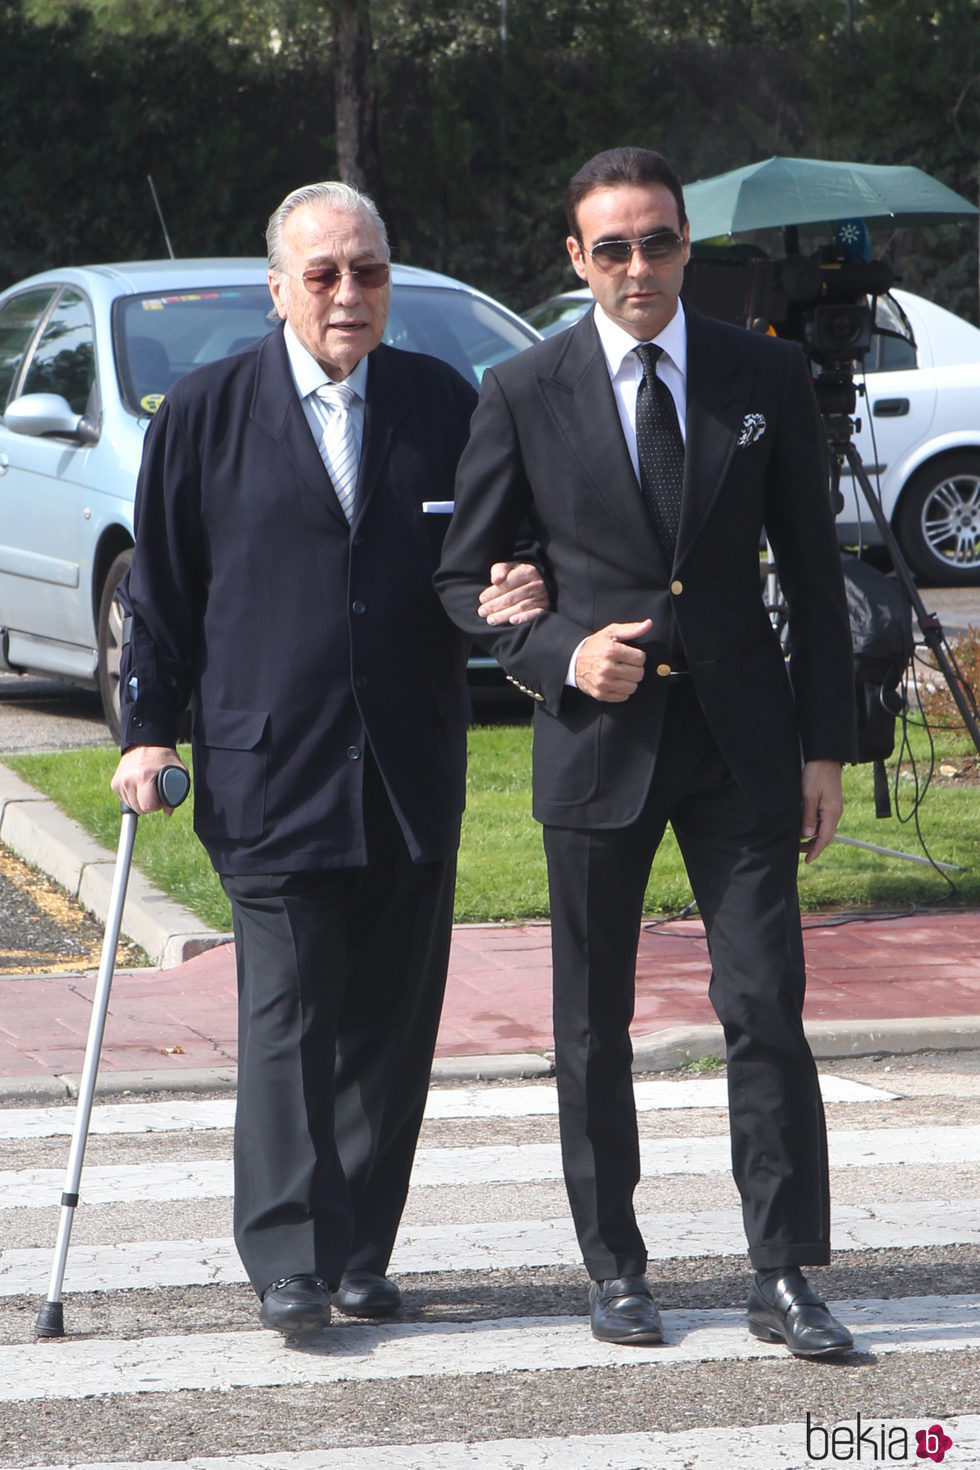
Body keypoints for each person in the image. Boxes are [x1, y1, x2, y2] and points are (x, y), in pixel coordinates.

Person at [436, 147, 858, 1358]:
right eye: (609, 247)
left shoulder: (762, 372)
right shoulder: (521, 388)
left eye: (656, 242)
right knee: (589, 1025)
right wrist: (562, 652)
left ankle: (781, 1273)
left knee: (763, 1006)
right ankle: (613, 1269)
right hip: (595, 744)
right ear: (575, 260)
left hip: (741, 745)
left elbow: (816, 586)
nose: (636, 266)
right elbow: (465, 581)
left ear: (686, 246)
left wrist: (825, 751)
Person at [111, 180, 546, 1342]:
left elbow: (495, 551)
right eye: (324, 274)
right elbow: (159, 593)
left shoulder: (440, 402)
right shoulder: (203, 412)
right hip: (270, 766)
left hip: (407, 765)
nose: (349, 294)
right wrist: (146, 729)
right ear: (278, 288)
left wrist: (520, 587)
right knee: (293, 1015)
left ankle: (361, 1250)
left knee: (393, 1024)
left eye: (368, 271)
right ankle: (290, 1257)